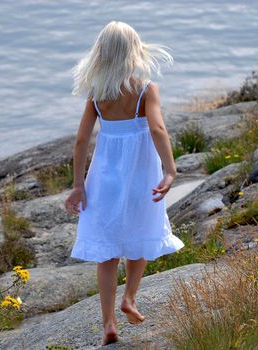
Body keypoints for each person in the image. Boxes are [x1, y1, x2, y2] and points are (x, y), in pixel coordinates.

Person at [64, 21, 185, 346]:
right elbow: (158, 131)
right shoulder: (145, 89)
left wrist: (78, 184)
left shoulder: (97, 93)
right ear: (135, 50)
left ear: (101, 53)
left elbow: (80, 141)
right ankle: (129, 296)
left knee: (107, 253)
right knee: (140, 234)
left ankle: (108, 324)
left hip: (105, 178)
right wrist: (170, 171)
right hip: (142, 174)